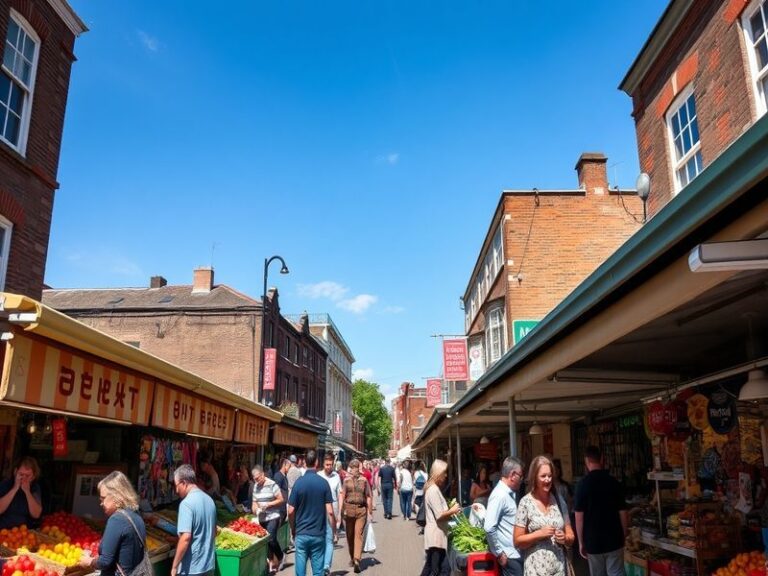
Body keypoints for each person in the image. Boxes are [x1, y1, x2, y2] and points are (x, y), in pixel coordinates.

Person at [513, 455, 574, 576]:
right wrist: (539, 534)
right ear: (534, 477)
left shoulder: (559, 500)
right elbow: (517, 541)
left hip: (560, 570)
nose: (547, 479)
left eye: (550, 476)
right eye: (543, 476)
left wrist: (565, 538)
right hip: (535, 571)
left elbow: (571, 536)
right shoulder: (525, 503)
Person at [574, 446, 628, 576]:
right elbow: (623, 513)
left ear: (586, 461)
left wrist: (581, 542)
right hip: (614, 539)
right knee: (616, 573)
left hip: (593, 542)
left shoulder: (582, 485)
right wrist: (624, 534)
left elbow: (579, 517)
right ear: (602, 459)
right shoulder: (614, 483)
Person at [79, 471, 146, 576]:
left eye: (103, 498)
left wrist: (89, 561)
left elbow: (105, 561)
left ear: (116, 495)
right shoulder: (136, 516)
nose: (101, 503)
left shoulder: (117, 520)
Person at [287, 449, 334, 576]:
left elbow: (290, 510)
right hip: (318, 534)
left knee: (300, 572)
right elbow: (330, 512)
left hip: (301, 533)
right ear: (317, 462)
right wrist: (333, 530)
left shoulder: (299, 483)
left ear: (304, 463)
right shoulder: (324, 483)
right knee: (318, 571)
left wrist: (293, 528)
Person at [171, 464, 216, 576]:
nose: (176, 490)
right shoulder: (209, 500)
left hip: (191, 569)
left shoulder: (186, 504)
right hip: (209, 566)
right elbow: (214, 531)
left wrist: (174, 566)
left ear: (184, 483)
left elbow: (185, 538)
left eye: (176, 485)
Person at [484, 457, 525, 576]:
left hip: (515, 554)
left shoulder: (507, 494)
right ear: (512, 475)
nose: (522, 480)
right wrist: (499, 553)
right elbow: (489, 527)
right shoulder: (499, 495)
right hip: (510, 557)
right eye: (520, 476)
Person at [419, 460, 461, 576]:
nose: (446, 475)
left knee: (436, 568)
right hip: (435, 537)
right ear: (438, 473)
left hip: (437, 536)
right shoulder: (433, 490)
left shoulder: (434, 489)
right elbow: (439, 516)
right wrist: (452, 510)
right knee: (437, 570)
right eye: (444, 473)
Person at [338, 459, 372, 574]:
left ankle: (356, 559)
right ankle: (354, 558)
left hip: (359, 510)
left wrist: (369, 511)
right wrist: (340, 511)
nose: (354, 470)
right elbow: (343, 495)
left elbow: (368, 495)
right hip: (350, 510)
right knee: (351, 535)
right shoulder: (347, 480)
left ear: (358, 468)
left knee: (357, 534)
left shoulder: (364, 480)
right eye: (353, 468)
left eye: (355, 467)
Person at [252, 465, 285, 573]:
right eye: (255, 479)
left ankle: (280, 556)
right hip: (262, 518)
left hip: (273, 516)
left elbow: (281, 499)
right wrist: (256, 509)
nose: (257, 480)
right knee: (266, 542)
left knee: (271, 538)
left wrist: (269, 504)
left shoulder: (272, 484)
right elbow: (254, 502)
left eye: (258, 478)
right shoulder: (255, 487)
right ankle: (270, 565)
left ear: (262, 474)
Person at [0, 457, 42, 529]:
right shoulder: (5, 484)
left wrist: (27, 492)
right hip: (3, 530)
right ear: (15, 472)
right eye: (21, 474)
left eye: (27, 476)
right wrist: (15, 488)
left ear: (33, 477)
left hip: (23, 533)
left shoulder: (34, 488)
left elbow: (36, 514)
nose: (24, 478)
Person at [318, 454, 342, 576]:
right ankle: (322, 564)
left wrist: (340, 513)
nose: (329, 467)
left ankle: (326, 565)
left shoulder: (336, 476)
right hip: (320, 511)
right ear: (323, 464)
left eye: (331, 464)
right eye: (327, 464)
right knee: (320, 540)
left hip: (333, 509)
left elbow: (340, 494)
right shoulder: (318, 476)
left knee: (330, 539)